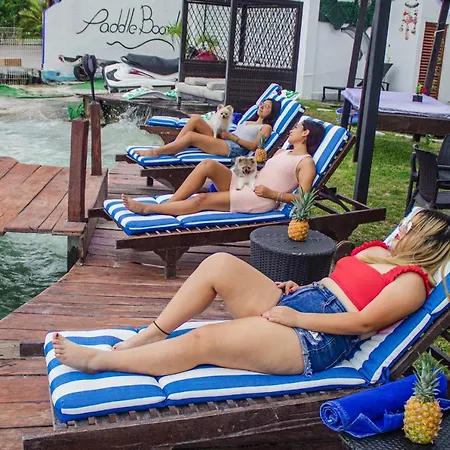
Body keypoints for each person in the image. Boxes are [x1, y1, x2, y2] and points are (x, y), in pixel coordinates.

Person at [53, 208, 450, 377]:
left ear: (427, 241)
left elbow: (362, 322)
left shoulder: (412, 283)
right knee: (219, 264)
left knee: (203, 341)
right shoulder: (380, 252)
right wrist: (302, 290)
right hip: (304, 302)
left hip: (318, 337)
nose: (404, 229)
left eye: (413, 228)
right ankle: (154, 333)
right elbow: (342, 284)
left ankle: (100, 361)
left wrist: (299, 317)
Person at [121, 120, 326, 216]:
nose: (291, 130)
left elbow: (304, 198)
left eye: (296, 128)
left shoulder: (305, 162)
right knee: (208, 164)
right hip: (250, 184)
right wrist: (248, 168)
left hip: (260, 198)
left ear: (306, 133)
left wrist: (272, 194)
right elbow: (267, 171)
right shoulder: (282, 152)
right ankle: (171, 204)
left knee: (202, 199)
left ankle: (150, 209)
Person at [135, 99, 281, 158]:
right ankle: (173, 147)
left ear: (272, 113)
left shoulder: (266, 127)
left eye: (267, 107)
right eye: (262, 104)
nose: (262, 106)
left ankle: (156, 152)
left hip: (233, 148)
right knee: (195, 119)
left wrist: (231, 137)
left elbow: (255, 147)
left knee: (191, 136)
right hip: (224, 140)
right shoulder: (248, 121)